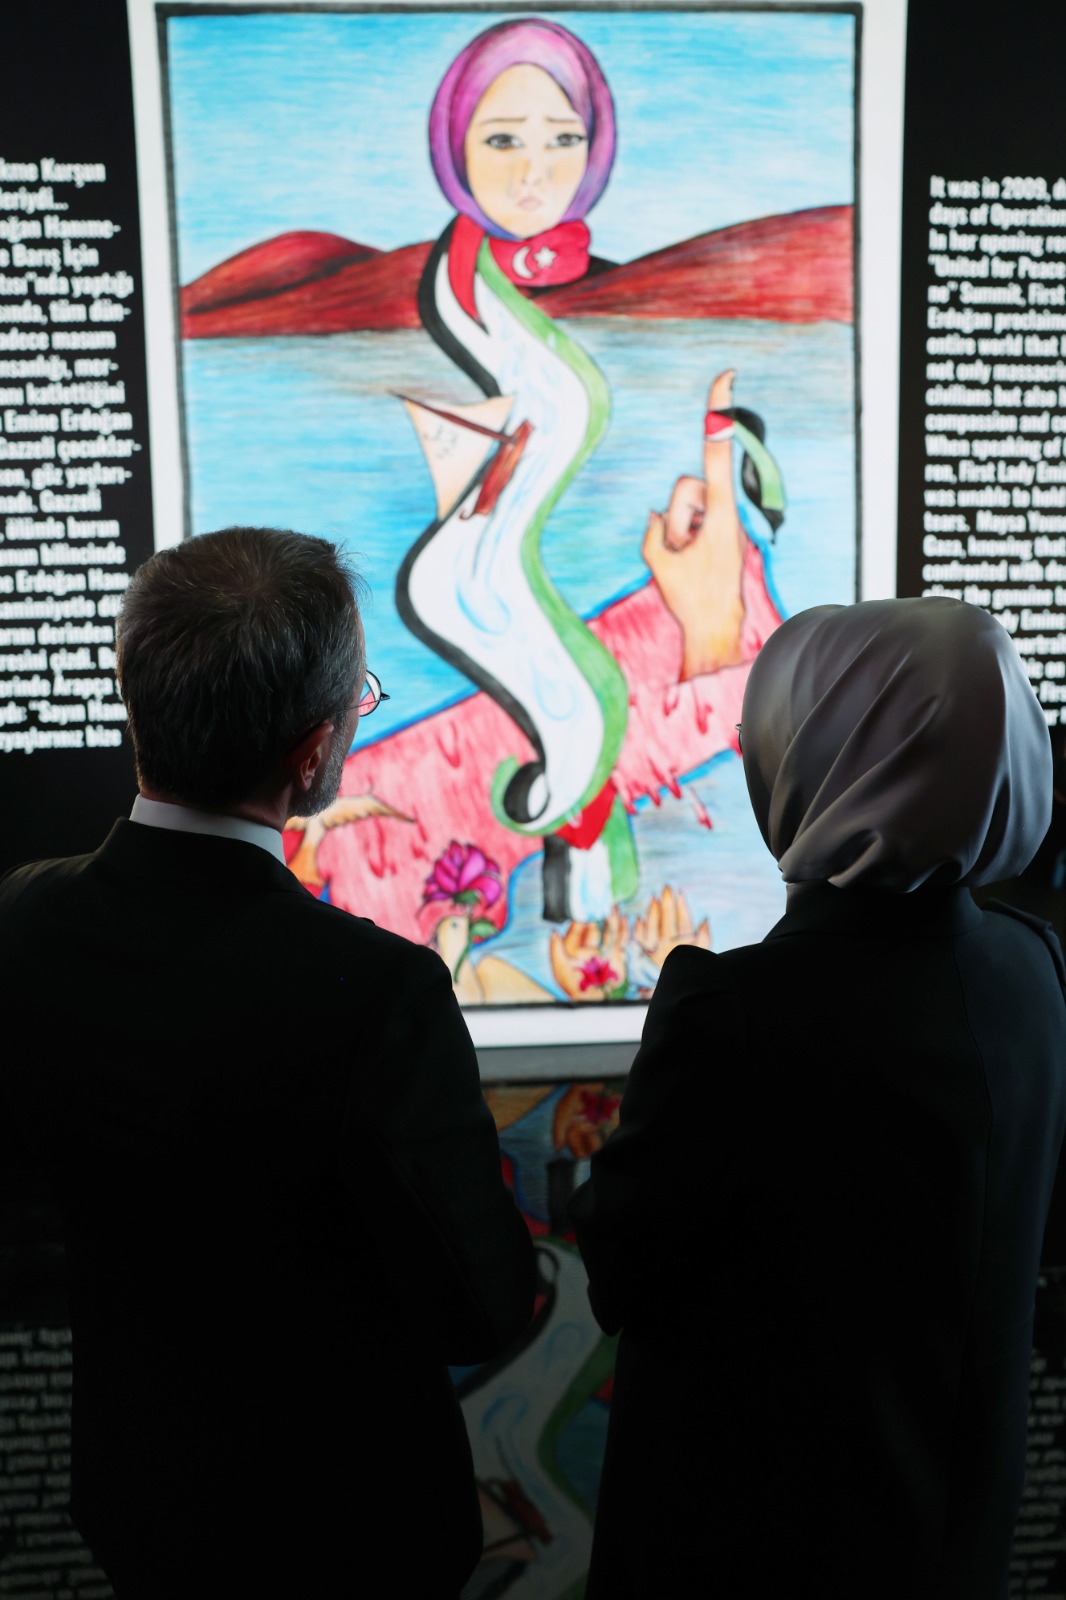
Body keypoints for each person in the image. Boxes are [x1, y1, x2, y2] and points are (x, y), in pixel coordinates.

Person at [0, 526, 536, 1598]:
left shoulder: (23, 919)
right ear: (312, 752)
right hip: (348, 1526)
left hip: (140, 1493)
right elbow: (480, 1307)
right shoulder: (379, 992)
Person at [568, 597, 1066, 1600]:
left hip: (755, 1548)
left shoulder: (734, 1008)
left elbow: (619, 1269)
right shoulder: (1034, 966)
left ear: (827, 761)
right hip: (954, 1546)